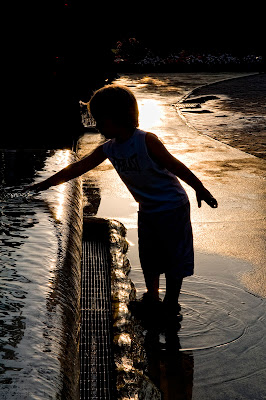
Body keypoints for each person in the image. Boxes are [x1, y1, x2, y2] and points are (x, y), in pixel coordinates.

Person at [27, 84, 217, 319]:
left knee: (173, 257)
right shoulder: (110, 148)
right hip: (148, 210)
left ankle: (171, 303)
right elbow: (78, 167)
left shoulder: (146, 141)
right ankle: (152, 297)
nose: (96, 126)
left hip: (172, 207)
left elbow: (175, 165)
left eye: (100, 120)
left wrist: (200, 188)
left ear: (119, 117)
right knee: (149, 255)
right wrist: (44, 184)